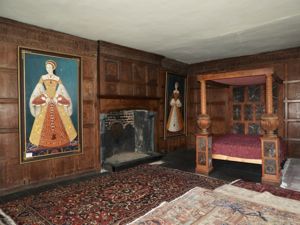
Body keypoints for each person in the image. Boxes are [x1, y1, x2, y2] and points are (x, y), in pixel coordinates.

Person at [29, 60, 77, 148]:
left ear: (53, 68)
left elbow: (62, 89)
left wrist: (56, 97)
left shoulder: (57, 78)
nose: (48, 69)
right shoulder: (43, 77)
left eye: (50, 67)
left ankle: (62, 140)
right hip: (46, 98)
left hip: (55, 99)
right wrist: (45, 97)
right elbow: (38, 88)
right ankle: (43, 141)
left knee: (61, 120)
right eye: (47, 67)